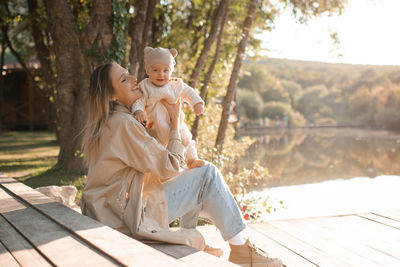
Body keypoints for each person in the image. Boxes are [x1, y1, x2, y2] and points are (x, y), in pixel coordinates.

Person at [80, 62, 282, 267]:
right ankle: (241, 250)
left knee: (193, 175)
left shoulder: (109, 121)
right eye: (124, 79)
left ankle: (199, 242)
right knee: (207, 175)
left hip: (111, 212)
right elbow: (169, 166)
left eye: (129, 74)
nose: (133, 79)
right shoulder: (123, 124)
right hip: (127, 217)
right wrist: (175, 121)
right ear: (111, 96)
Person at [132, 46, 205, 169]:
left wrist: (197, 103)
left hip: (176, 124)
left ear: (171, 71)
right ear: (147, 70)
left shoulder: (175, 84)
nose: (161, 74)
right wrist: (138, 110)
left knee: (186, 138)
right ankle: (163, 168)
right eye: (155, 70)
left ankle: (192, 159)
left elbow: (188, 92)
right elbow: (139, 100)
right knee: (157, 148)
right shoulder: (145, 86)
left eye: (166, 70)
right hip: (155, 127)